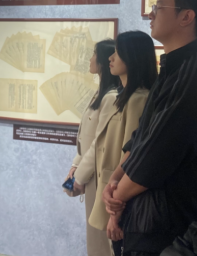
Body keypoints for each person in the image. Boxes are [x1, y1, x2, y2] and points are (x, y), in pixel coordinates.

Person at [103, 0, 197, 256]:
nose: (151, 14)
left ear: (186, 17)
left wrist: (117, 197)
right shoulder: (175, 67)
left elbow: (159, 152)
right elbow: (141, 136)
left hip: (173, 226)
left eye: (159, 7)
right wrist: (115, 179)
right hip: (150, 218)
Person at [87, 32, 158, 250]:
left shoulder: (139, 99)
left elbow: (130, 159)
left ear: (133, 57)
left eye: (117, 53)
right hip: (112, 192)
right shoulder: (123, 96)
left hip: (120, 198)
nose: (111, 58)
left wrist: (115, 215)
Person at [67, 39, 119, 256]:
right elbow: (86, 137)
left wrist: (78, 176)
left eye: (94, 54)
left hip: (98, 176)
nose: (90, 59)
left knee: (100, 242)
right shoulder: (101, 93)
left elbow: (99, 142)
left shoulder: (112, 97)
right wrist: (75, 165)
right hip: (89, 173)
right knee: (94, 237)